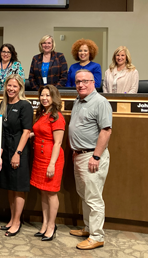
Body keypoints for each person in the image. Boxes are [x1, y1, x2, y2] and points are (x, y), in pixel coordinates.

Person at [68, 69, 112, 250]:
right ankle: (88, 228)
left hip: (92, 156)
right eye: (78, 81)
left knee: (93, 198)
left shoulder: (100, 102)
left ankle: (97, 236)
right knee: (84, 194)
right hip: (80, 155)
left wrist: (96, 156)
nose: (81, 85)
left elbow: (106, 130)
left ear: (93, 82)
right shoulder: (78, 100)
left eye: (85, 81)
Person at [0, 74, 33, 237]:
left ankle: (17, 222)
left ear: (20, 88)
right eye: (9, 86)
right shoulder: (3, 104)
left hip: (19, 150)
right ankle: (12, 219)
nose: (11, 89)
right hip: (6, 150)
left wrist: (17, 153)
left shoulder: (25, 105)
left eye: (15, 86)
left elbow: (27, 132)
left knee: (18, 188)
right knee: (10, 187)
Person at [30, 85, 65, 241]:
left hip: (51, 158)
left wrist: (52, 164)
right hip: (39, 157)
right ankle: (44, 224)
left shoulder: (57, 117)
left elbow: (57, 143)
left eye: (48, 95)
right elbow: (37, 132)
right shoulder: (42, 114)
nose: (44, 98)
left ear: (54, 97)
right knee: (43, 191)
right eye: (42, 95)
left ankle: (51, 226)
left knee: (51, 193)